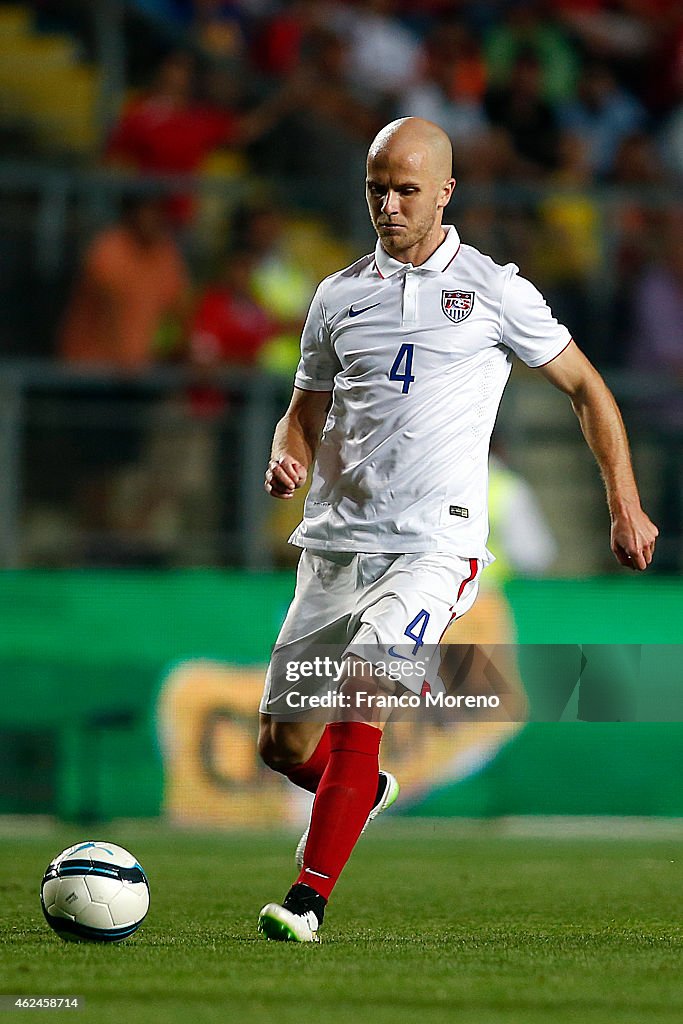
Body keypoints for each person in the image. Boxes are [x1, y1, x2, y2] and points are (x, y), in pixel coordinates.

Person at [256, 116, 658, 943]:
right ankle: (358, 791)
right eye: (377, 189)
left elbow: (586, 388)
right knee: (279, 744)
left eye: (407, 190)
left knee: (361, 695)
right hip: (333, 545)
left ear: (444, 191)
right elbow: (303, 411)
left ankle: (307, 899)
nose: (390, 205)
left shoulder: (493, 291)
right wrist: (287, 458)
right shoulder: (336, 296)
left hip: (432, 546)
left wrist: (623, 500)